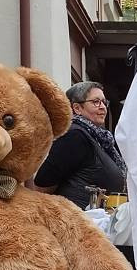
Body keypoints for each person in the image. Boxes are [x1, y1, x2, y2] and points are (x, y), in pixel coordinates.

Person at [35, 81, 126, 209]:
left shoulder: (102, 140)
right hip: (77, 222)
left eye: (104, 102)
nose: (103, 107)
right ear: (77, 108)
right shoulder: (75, 137)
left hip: (97, 222)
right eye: (96, 102)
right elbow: (43, 183)